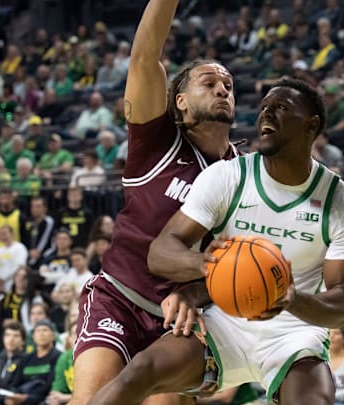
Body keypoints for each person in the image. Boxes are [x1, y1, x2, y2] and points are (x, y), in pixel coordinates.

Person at [90, 79, 344, 404]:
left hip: (294, 332)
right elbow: (161, 252)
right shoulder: (228, 176)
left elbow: (342, 305)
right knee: (141, 370)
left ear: (311, 125)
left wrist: (290, 298)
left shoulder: (343, 205)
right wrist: (206, 266)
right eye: (264, 107)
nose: (267, 114)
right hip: (223, 322)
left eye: (281, 108)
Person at [70, 0, 240, 403]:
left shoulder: (244, 176)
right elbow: (145, 56)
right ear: (178, 100)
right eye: (208, 82)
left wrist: (196, 294)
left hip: (181, 315)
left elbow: (236, 263)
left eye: (229, 86)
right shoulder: (156, 140)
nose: (222, 88)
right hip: (120, 296)